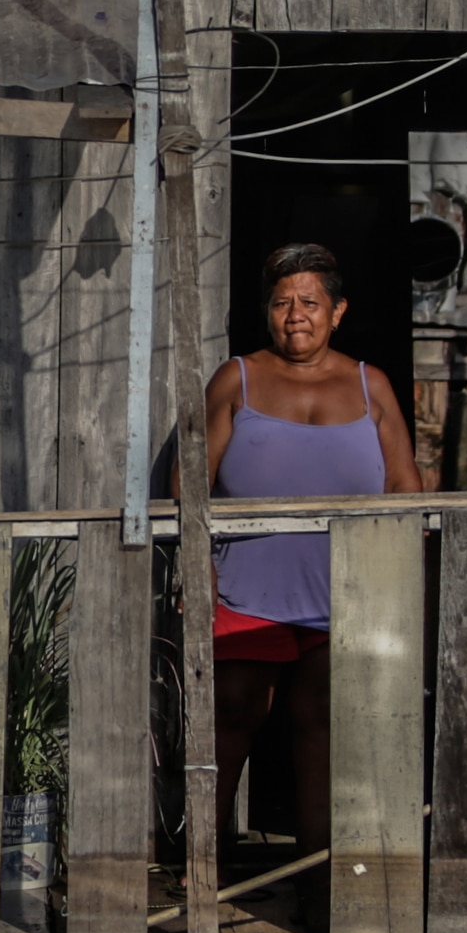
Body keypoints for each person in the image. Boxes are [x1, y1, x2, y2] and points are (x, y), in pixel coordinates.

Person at [181, 244, 422, 851]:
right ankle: (203, 865)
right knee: (230, 717)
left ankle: (321, 873)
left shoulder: (372, 385)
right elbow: (190, 480)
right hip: (245, 585)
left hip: (344, 589)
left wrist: (397, 575)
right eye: (283, 302)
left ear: (337, 312)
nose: (295, 315)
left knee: (326, 726)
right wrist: (193, 568)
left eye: (309, 302)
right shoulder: (237, 377)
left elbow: (403, 485)